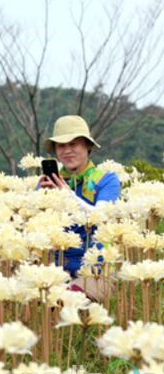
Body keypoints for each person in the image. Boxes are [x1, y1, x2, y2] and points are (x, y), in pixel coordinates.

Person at [39, 115, 120, 299]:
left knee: (70, 300)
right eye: (61, 146)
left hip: (96, 271)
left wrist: (68, 195)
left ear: (87, 146)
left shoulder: (107, 180)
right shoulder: (47, 184)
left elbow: (100, 217)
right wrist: (41, 200)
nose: (67, 150)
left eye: (73, 144)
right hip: (55, 269)